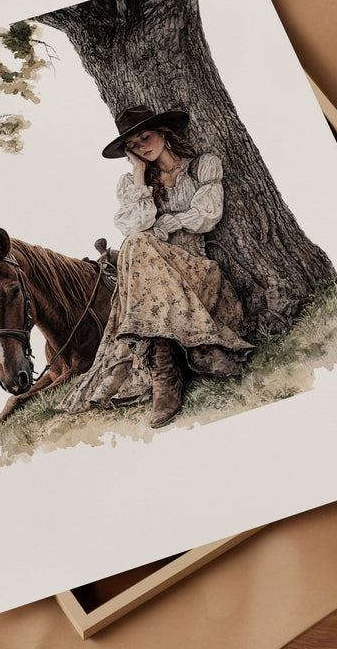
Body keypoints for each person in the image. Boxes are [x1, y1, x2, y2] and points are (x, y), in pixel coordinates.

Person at [59, 105, 253, 428]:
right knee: (136, 243)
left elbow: (209, 214)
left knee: (137, 244)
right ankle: (166, 371)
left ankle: (173, 367)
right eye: (132, 146)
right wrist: (138, 175)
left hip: (197, 276)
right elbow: (136, 227)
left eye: (145, 137)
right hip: (155, 289)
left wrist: (166, 225)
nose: (141, 147)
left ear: (163, 132)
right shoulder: (133, 184)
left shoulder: (202, 166)